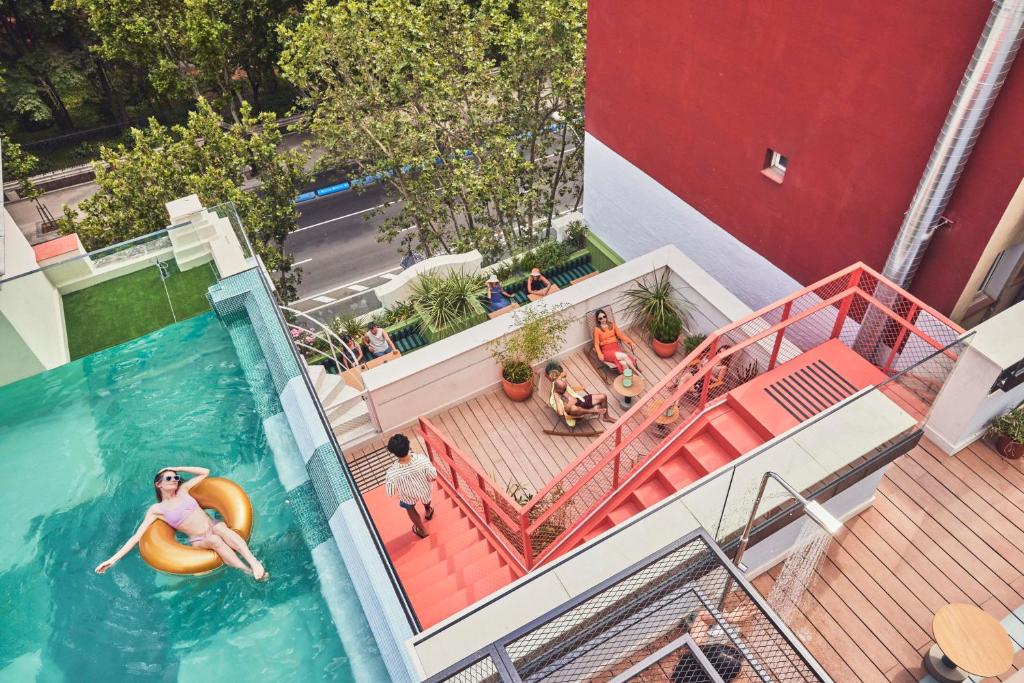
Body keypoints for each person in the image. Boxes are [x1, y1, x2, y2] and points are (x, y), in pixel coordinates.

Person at [95, 467, 268, 581]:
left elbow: (205, 472)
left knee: (220, 528)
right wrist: (112, 560)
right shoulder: (157, 509)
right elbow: (136, 538)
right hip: (200, 540)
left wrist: (177, 468)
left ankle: (254, 563)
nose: (174, 480)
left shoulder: (184, 490)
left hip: (213, 525)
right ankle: (246, 570)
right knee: (215, 540)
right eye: (169, 478)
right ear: (158, 484)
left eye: (176, 478)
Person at [383, 434, 437, 539]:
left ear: (394, 453)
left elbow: (390, 492)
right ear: (408, 445)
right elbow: (433, 476)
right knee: (426, 498)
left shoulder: (392, 472)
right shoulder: (421, 459)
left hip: (408, 495)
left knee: (409, 507)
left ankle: (422, 530)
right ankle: (428, 510)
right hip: (424, 489)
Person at [592, 308, 641, 374]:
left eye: (604, 317)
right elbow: (596, 344)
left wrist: (630, 342)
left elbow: (620, 335)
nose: (603, 319)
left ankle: (627, 377)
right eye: (600, 318)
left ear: (606, 316)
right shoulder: (597, 329)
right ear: (598, 320)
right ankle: (637, 372)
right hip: (606, 351)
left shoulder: (612, 324)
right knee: (625, 356)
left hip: (616, 348)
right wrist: (599, 354)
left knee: (623, 363)